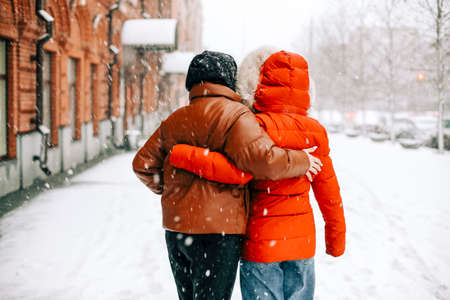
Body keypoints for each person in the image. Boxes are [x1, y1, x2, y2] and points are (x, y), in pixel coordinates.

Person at [132, 50, 322, 300]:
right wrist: (302, 160)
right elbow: (263, 161)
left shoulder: (174, 120)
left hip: (177, 230)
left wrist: (171, 191)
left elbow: (142, 164)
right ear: (230, 80)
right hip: (220, 232)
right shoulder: (235, 117)